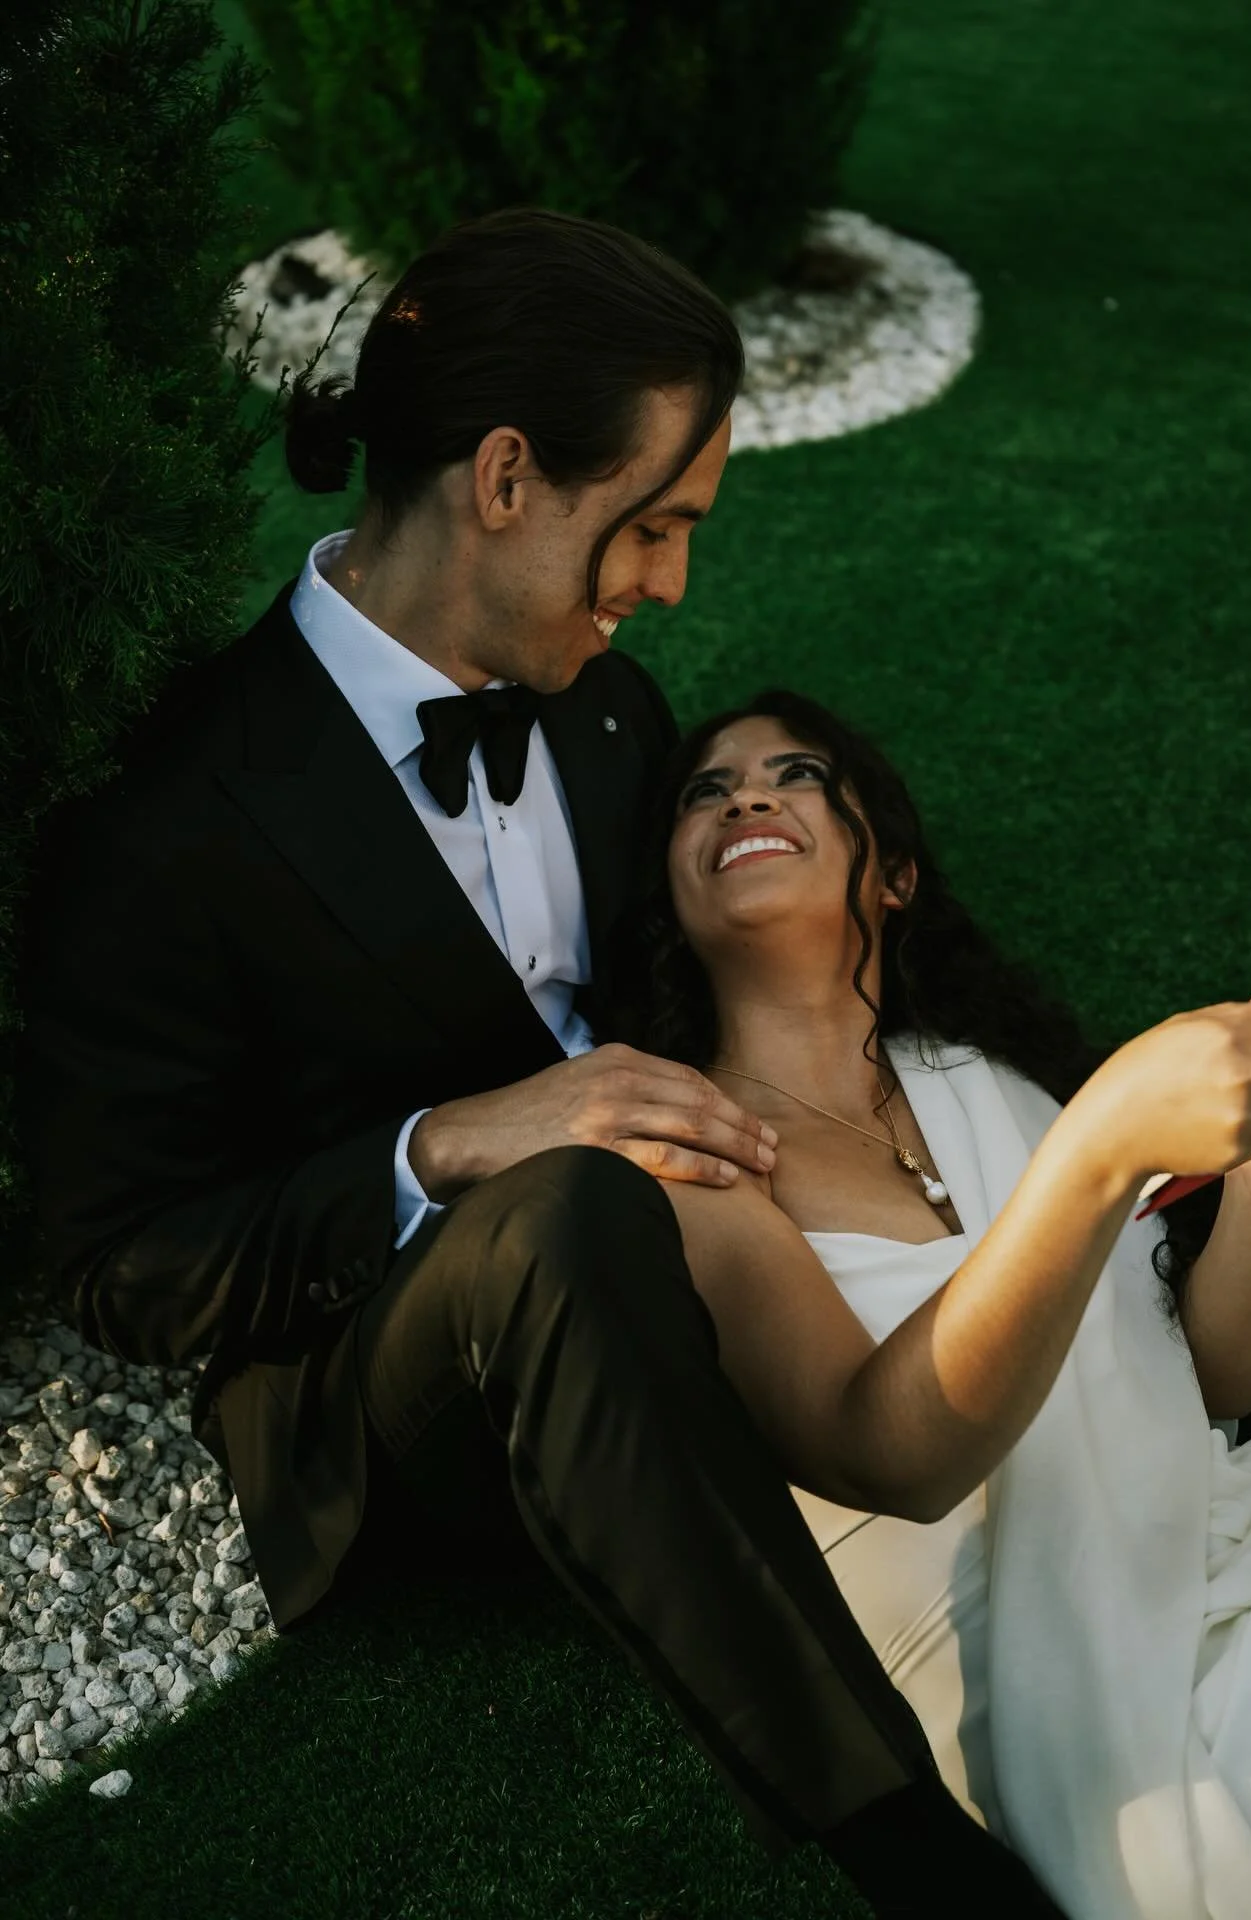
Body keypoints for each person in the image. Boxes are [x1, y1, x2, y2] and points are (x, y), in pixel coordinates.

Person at [17, 208, 1064, 1916]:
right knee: (571, 1215)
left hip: (705, 1267)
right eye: (651, 526)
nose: (669, 585)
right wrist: (442, 1144)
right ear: (506, 478)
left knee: (1023, 1200)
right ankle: (914, 1856)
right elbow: (120, 1265)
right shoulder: (166, 820)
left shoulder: (606, 713)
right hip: (405, 1413)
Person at [624, 685, 1251, 1918]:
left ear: (895, 878)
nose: (746, 797)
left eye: (798, 776)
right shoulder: (685, 1161)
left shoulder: (983, 1080)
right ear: (673, 902)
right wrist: (1103, 1149)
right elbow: (889, 1452)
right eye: (708, 790)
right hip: (1145, 1732)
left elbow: (1207, 1385)